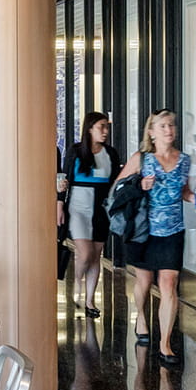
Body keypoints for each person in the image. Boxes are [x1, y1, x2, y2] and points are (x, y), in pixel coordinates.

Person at [115, 110, 196, 366]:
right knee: (144, 281)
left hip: (173, 230)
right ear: (151, 132)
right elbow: (118, 188)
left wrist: (195, 198)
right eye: (162, 126)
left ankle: (165, 344)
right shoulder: (141, 159)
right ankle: (141, 315)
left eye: (171, 125)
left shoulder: (184, 160)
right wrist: (140, 186)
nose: (168, 130)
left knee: (169, 283)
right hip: (144, 230)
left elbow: (184, 191)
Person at [61, 112, 116, 317]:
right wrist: (59, 205)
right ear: (90, 128)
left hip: (101, 210)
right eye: (101, 126)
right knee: (85, 253)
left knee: (95, 256)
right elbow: (64, 179)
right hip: (78, 209)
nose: (105, 131)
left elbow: (115, 183)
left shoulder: (110, 153)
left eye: (106, 127)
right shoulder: (76, 151)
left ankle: (90, 301)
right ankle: (77, 283)